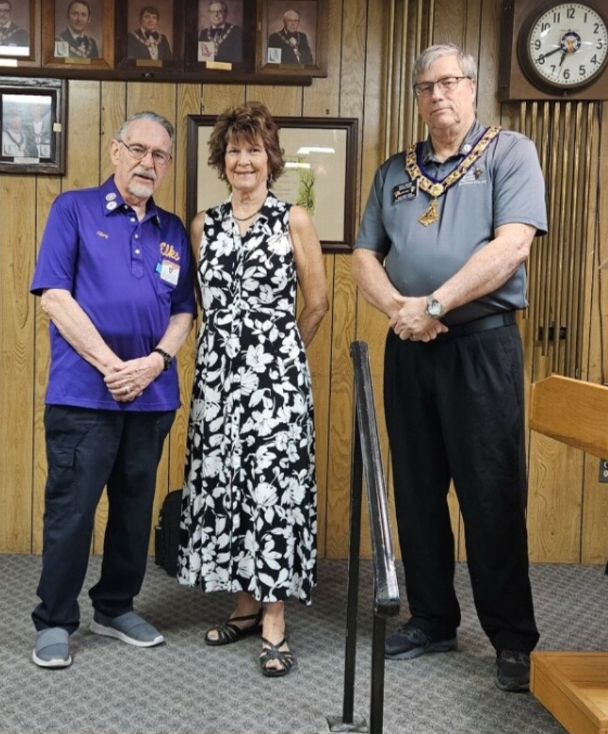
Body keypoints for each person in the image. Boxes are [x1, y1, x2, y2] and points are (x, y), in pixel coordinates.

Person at [352, 43, 546, 693]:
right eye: (426, 86)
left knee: (491, 494)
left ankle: (512, 638)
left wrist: (435, 303)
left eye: (450, 82)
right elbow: (363, 259)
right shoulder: (392, 172)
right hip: (411, 348)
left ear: (472, 87)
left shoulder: (510, 153)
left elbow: (512, 246)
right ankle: (432, 618)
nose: (439, 94)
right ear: (416, 96)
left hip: (481, 345)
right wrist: (404, 313)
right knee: (416, 490)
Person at [29, 111, 196, 669]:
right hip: (84, 395)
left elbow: (183, 312)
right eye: (139, 150)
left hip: (152, 397)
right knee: (72, 512)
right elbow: (54, 296)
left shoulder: (172, 230)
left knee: (133, 509)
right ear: (114, 151)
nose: (149, 163)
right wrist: (111, 366)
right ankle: (54, 618)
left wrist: (152, 364)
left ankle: (116, 606)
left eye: (160, 156)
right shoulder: (73, 209)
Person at [177, 102, 329, 678]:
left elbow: (315, 304)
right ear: (222, 160)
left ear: (271, 158)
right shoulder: (202, 224)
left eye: (254, 149)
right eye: (235, 150)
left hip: (275, 385)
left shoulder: (294, 219)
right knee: (226, 487)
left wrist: (277, 357)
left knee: (271, 490)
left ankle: (274, 619)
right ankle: (243, 605)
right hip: (217, 382)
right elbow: (199, 302)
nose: (245, 159)